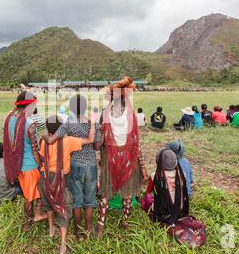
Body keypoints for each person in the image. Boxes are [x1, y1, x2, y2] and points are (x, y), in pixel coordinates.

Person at [42, 94, 102, 240]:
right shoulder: (93, 123)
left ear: (72, 109)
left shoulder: (68, 123)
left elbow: (51, 140)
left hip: (74, 164)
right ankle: (88, 230)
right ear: (85, 107)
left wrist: (42, 137)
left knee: (76, 201)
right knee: (89, 201)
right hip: (91, 165)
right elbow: (96, 146)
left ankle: (78, 232)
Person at [95, 77, 148, 238]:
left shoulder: (105, 114)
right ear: (125, 97)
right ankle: (125, 222)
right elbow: (136, 143)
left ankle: (100, 226)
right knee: (127, 194)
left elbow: (99, 142)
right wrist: (143, 165)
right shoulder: (130, 114)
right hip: (128, 159)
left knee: (105, 194)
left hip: (110, 159)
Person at [39, 115, 96, 254]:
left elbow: (41, 158)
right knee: (63, 207)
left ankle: (51, 229)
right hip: (61, 178)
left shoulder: (44, 142)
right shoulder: (68, 141)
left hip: (44, 177)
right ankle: (63, 244)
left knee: (49, 205)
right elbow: (90, 140)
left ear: (48, 128)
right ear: (61, 128)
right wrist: (93, 124)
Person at [3, 91, 46, 231]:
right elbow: (35, 149)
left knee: (28, 193)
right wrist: (41, 165)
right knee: (30, 196)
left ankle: (32, 218)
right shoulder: (29, 123)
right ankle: (28, 223)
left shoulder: (9, 118)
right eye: (33, 105)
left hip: (14, 163)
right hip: (29, 165)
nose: (34, 108)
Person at [145, 149, 189, 225]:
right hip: (179, 210)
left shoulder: (155, 176)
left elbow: (148, 191)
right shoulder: (182, 174)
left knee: (147, 199)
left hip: (163, 212)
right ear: (176, 162)